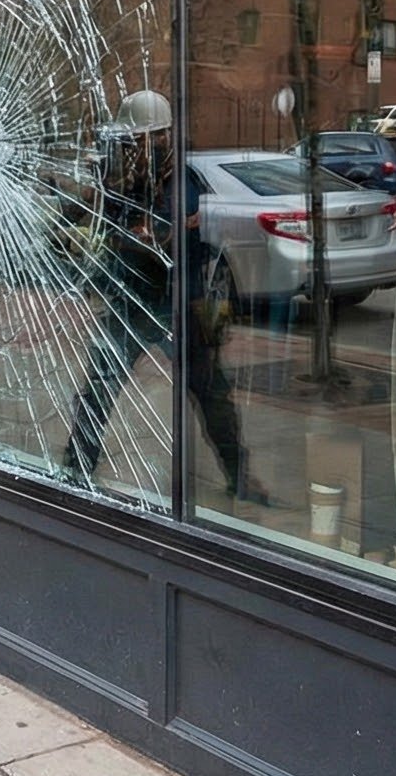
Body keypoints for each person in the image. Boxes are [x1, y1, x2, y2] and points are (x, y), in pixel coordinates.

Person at [56, 89, 270, 504]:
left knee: (210, 393)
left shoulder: (179, 180)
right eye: (129, 141)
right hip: (132, 301)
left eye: (136, 140)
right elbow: (96, 210)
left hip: (178, 305)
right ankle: (77, 464)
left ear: (157, 138)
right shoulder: (124, 178)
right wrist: (74, 220)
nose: (130, 148)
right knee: (100, 385)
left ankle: (239, 475)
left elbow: (162, 236)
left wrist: (123, 235)